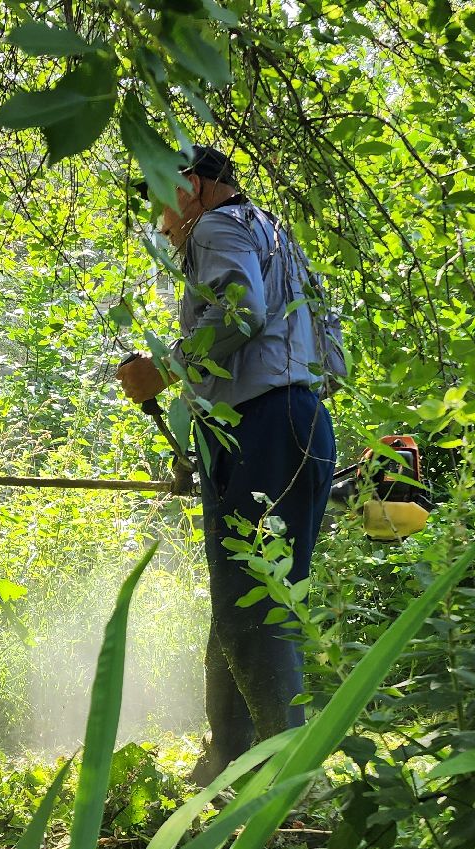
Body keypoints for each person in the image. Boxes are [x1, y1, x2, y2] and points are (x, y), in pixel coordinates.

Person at [119, 145, 338, 785]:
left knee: (255, 604)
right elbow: (320, 345)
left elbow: (242, 312)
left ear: (194, 185)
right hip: (295, 422)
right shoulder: (274, 234)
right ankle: (230, 757)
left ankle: (286, 781)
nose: (160, 219)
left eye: (162, 197)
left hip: (262, 425)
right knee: (248, 599)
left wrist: (164, 368)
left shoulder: (217, 226)